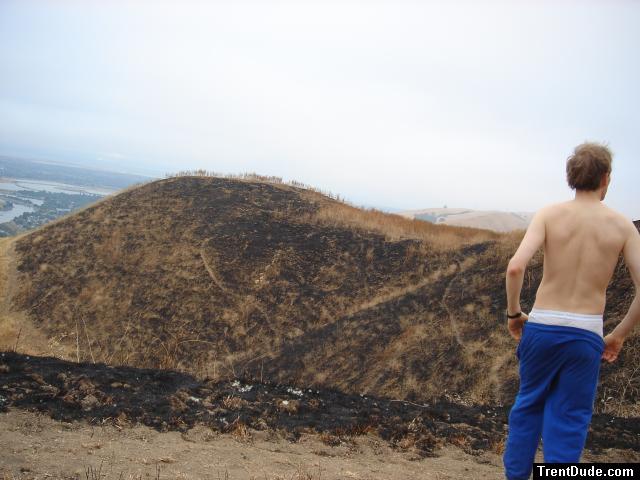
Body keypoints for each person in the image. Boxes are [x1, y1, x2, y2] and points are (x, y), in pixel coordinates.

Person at [502, 142, 640, 479]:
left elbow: (515, 268)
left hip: (543, 326)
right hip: (586, 335)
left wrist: (514, 314)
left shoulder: (549, 214)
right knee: (569, 418)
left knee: (527, 407)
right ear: (606, 177)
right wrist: (618, 335)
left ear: (571, 176)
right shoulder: (622, 226)